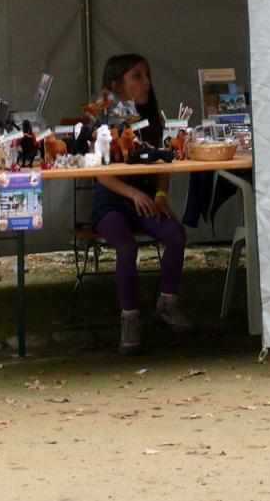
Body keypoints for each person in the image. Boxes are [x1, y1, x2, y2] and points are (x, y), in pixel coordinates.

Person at [91, 53, 191, 355]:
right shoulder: (103, 121)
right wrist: (133, 194)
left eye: (147, 75)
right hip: (112, 202)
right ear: (116, 85)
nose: (146, 82)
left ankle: (167, 303)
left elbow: (163, 164)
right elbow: (101, 174)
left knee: (176, 233)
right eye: (137, 76)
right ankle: (130, 318)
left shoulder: (151, 120)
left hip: (145, 201)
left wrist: (160, 197)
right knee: (126, 247)